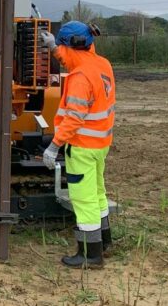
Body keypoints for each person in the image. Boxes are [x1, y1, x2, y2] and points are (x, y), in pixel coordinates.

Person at [39, 21, 115, 269]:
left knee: (83, 200)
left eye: (61, 45)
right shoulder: (101, 63)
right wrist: (53, 47)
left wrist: (54, 146)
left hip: (81, 146)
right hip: (100, 144)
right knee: (98, 193)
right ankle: (105, 242)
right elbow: (73, 59)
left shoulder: (80, 78)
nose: (61, 53)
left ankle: (90, 255)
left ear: (71, 45)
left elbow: (74, 117)